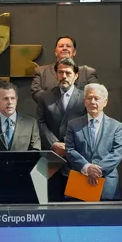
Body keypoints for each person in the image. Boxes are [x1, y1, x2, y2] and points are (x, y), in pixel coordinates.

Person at [36, 58, 87, 201]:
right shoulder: (45, 97)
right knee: (53, 204)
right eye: (60, 72)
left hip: (77, 159)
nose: (64, 76)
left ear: (76, 75)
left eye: (68, 73)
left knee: (78, 206)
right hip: (53, 160)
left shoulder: (85, 97)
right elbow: (40, 122)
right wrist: (54, 144)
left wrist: (70, 147)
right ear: (56, 74)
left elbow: (88, 124)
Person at [65, 83, 122, 201]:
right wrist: (87, 168)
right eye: (89, 98)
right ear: (84, 101)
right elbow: (70, 150)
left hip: (106, 184)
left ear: (105, 102)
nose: (92, 102)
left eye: (96, 98)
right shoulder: (73, 125)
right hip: (80, 181)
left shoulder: (116, 126)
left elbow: (117, 153)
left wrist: (97, 171)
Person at [31, 36, 98, 102]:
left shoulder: (87, 72)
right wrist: (57, 104)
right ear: (55, 52)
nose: (64, 48)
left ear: (74, 52)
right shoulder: (41, 71)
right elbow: (36, 94)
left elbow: (94, 94)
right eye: (61, 46)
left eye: (68, 46)